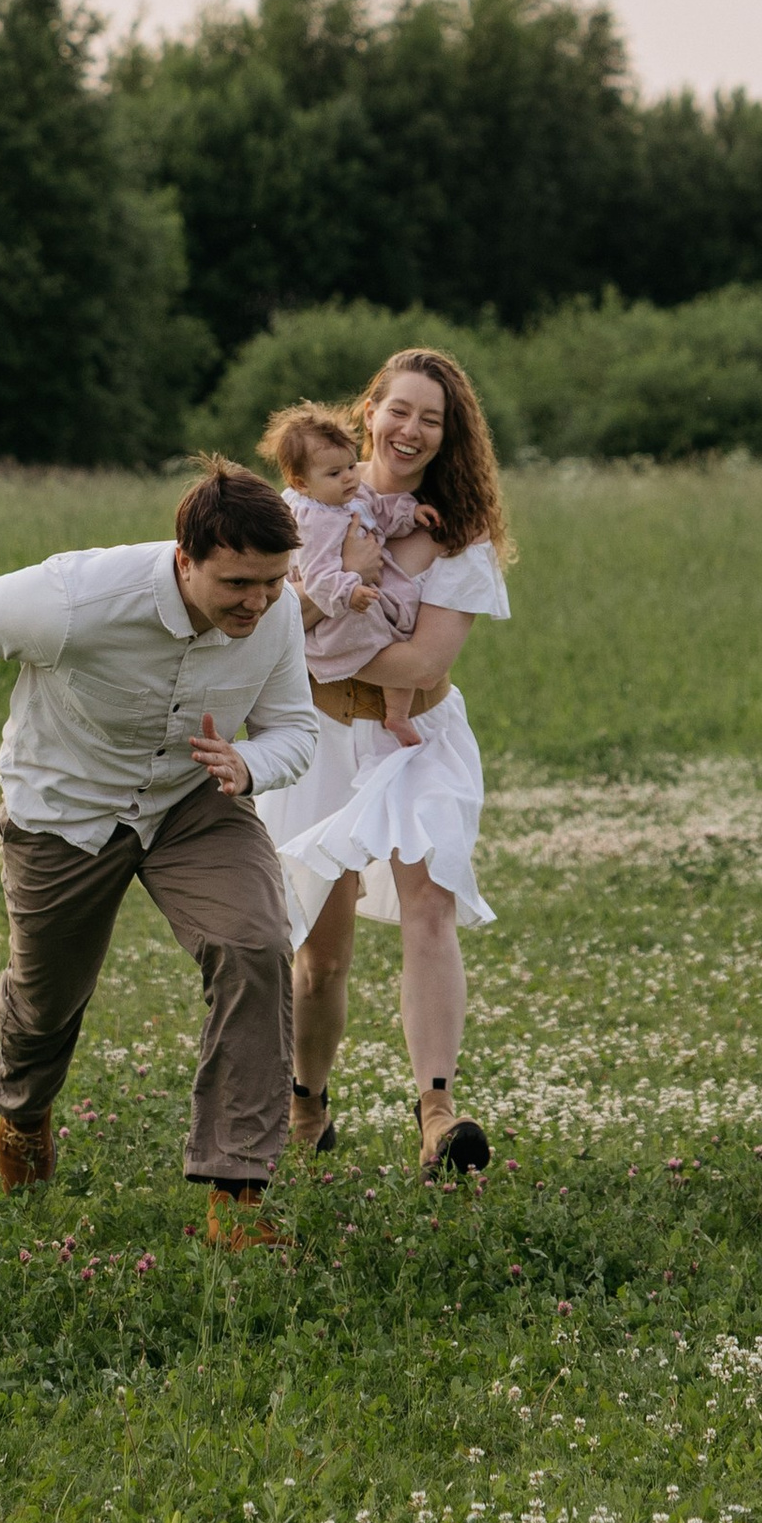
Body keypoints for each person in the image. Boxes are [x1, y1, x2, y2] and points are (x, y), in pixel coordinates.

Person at [0, 461, 314, 1242]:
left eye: (273, 581)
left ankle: (236, 1198)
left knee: (257, 946)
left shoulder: (277, 612)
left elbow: (294, 729)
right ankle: (23, 1117)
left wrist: (251, 766)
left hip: (194, 800)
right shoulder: (75, 599)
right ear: (185, 559)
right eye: (238, 582)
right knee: (46, 999)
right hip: (66, 808)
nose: (259, 601)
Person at [251, 347, 514, 1186]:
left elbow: (421, 663)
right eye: (399, 410)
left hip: (418, 740)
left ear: (447, 438)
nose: (411, 430)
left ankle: (437, 1115)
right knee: (319, 953)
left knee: (429, 907)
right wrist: (319, 611)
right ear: (370, 412)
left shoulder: (456, 534)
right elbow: (255, 609)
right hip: (322, 742)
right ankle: (306, 1104)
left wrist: (318, 635)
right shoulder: (302, 500)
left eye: (431, 420)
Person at [259, 402, 440, 749]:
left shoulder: (351, 495)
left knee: (398, 634)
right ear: (301, 482)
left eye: (350, 465)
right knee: (388, 641)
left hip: (361, 592)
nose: (349, 477)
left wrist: (410, 512)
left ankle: (396, 714)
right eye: (334, 473)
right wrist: (350, 587)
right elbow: (319, 575)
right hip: (341, 608)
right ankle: (396, 713)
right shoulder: (314, 520)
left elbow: (380, 512)